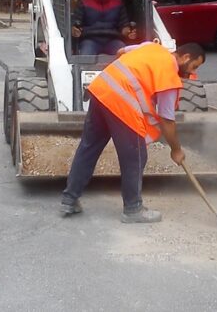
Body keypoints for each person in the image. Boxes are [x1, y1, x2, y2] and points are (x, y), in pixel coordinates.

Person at [60, 42, 206, 223]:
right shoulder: (168, 75)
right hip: (121, 103)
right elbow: (167, 119)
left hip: (101, 90)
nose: (190, 73)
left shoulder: (152, 48)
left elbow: (121, 51)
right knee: (135, 156)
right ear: (185, 57)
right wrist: (176, 149)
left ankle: (69, 199)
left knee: (89, 147)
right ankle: (133, 208)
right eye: (194, 66)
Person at [71, 0, 136, 55]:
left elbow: (124, 25)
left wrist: (129, 33)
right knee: (85, 55)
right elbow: (76, 22)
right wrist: (74, 30)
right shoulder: (84, 2)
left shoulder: (118, 3)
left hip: (113, 40)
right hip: (90, 40)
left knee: (125, 56)